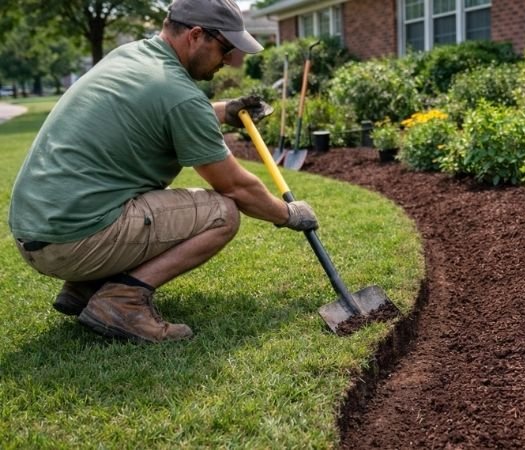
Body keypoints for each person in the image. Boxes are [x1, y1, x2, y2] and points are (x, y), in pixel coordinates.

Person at [7, 0, 318, 343]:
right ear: (196, 36)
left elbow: (165, 110)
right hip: (75, 241)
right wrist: (288, 213)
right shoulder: (179, 94)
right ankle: (121, 302)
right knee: (223, 212)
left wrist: (224, 111)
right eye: (226, 48)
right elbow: (236, 187)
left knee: (141, 197)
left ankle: (87, 286)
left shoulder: (131, 56)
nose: (230, 60)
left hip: (36, 233)